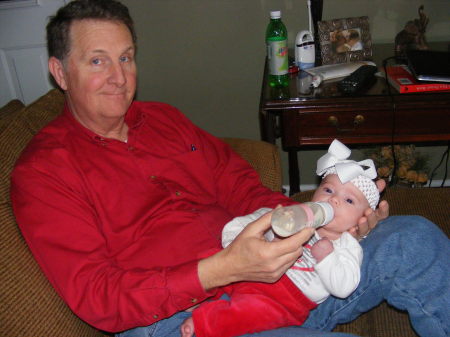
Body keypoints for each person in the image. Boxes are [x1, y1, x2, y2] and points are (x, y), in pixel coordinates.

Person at [9, 1, 449, 337]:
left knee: (414, 239)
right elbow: (97, 295)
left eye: (126, 57)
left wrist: (318, 224)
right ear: (60, 72)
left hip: (292, 274)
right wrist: (225, 269)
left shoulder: (163, 119)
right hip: (188, 319)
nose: (120, 78)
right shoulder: (44, 172)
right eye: (98, 60)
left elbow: (239, 185)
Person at [180, 139, 380, 337]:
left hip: (286, 299)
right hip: (247, 269)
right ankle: (195, 294)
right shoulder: (293, 216)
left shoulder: (347, 246)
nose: (333, 199)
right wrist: (238, 244)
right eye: (328, 190)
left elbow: (344, 288)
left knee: (252, 312)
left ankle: (206, 322)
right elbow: (246, 224)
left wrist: (326, 257)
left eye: (348, 200)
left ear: (361, 220)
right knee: (209, 256)